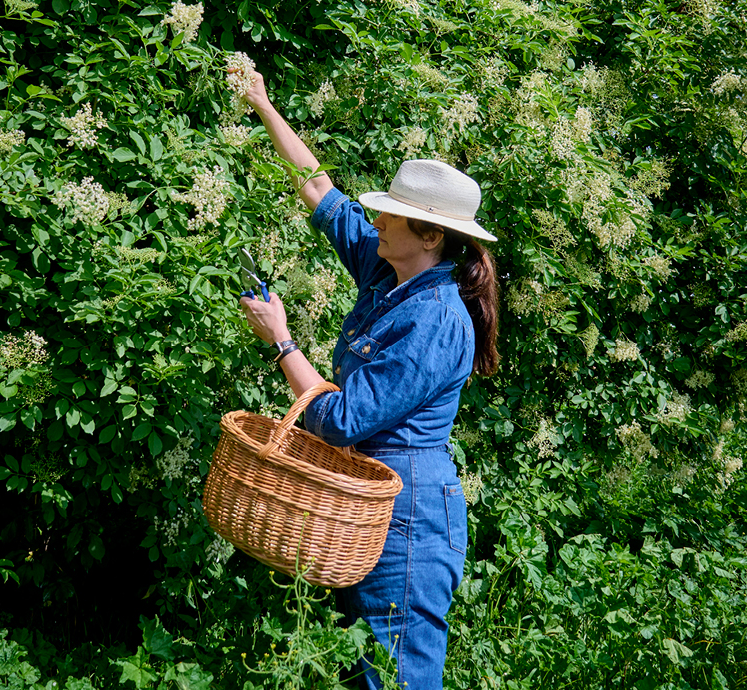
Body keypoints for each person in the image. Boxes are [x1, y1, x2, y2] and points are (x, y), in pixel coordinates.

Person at [237, 69, 500, 690]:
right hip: (367, 500)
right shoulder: (390, 271)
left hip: (408, 514)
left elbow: (340, 418)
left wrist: (280, 341)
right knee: (365, 675)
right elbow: (321, 191)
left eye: (391, 217)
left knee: (397, 679)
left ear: (431, 237)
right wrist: (262, 104)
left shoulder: (437, 319)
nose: (375, 220)